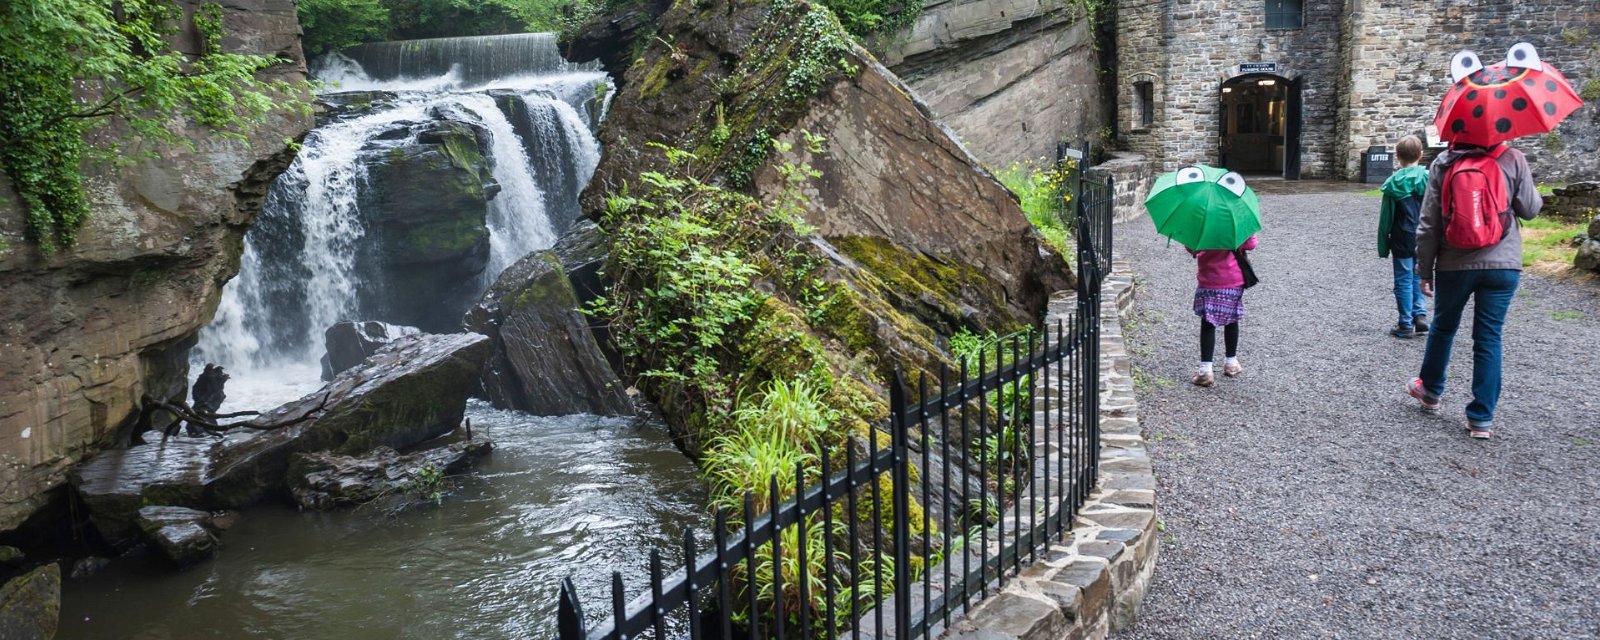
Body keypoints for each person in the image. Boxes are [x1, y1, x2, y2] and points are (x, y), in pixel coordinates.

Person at [1407, 141, 1542, 439]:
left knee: (1443, 327)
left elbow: (1428, 224)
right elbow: (1531, 210)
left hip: (1454, 263)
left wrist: (1424, 271)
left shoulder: (1443, 162)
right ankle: (1481, 418)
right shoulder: (1512, 157)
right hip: (1503, 264)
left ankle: (1430, 391)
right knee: (1488, 337)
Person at [1376, 136, 1431, 338]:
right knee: (1420, 276)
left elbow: (1386, 220)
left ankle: (1405, 323)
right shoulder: (1430, 179)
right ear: (1421, 155)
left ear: (1398, 157)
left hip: (1402, 238)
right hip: (1426, 237)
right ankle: (1420, 314)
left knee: (1403, 280)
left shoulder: (1394, 184)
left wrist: (1383, 246)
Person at [1190, 235, 1257, 387]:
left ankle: (1205, 370)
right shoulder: (1236, 221)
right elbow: (1251, 244)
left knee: (1208, 323)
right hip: (1233, 280)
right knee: (1232, 319)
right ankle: (1231, 362)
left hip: (1209, 281)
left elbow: (1191, 248)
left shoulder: (1202, 222)